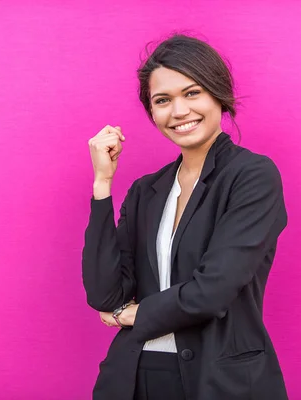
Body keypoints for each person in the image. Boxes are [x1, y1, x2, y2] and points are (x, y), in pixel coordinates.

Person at [82, 34, 289, 400]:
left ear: (217, 94)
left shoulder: (252, 176)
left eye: (192, 93)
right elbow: (106, 294)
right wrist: (103, 184)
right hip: (136, 377)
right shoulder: (146, 190)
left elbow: (212, 291)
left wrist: (133, 315)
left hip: (219, 380)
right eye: (162, 100)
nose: (178, 112)